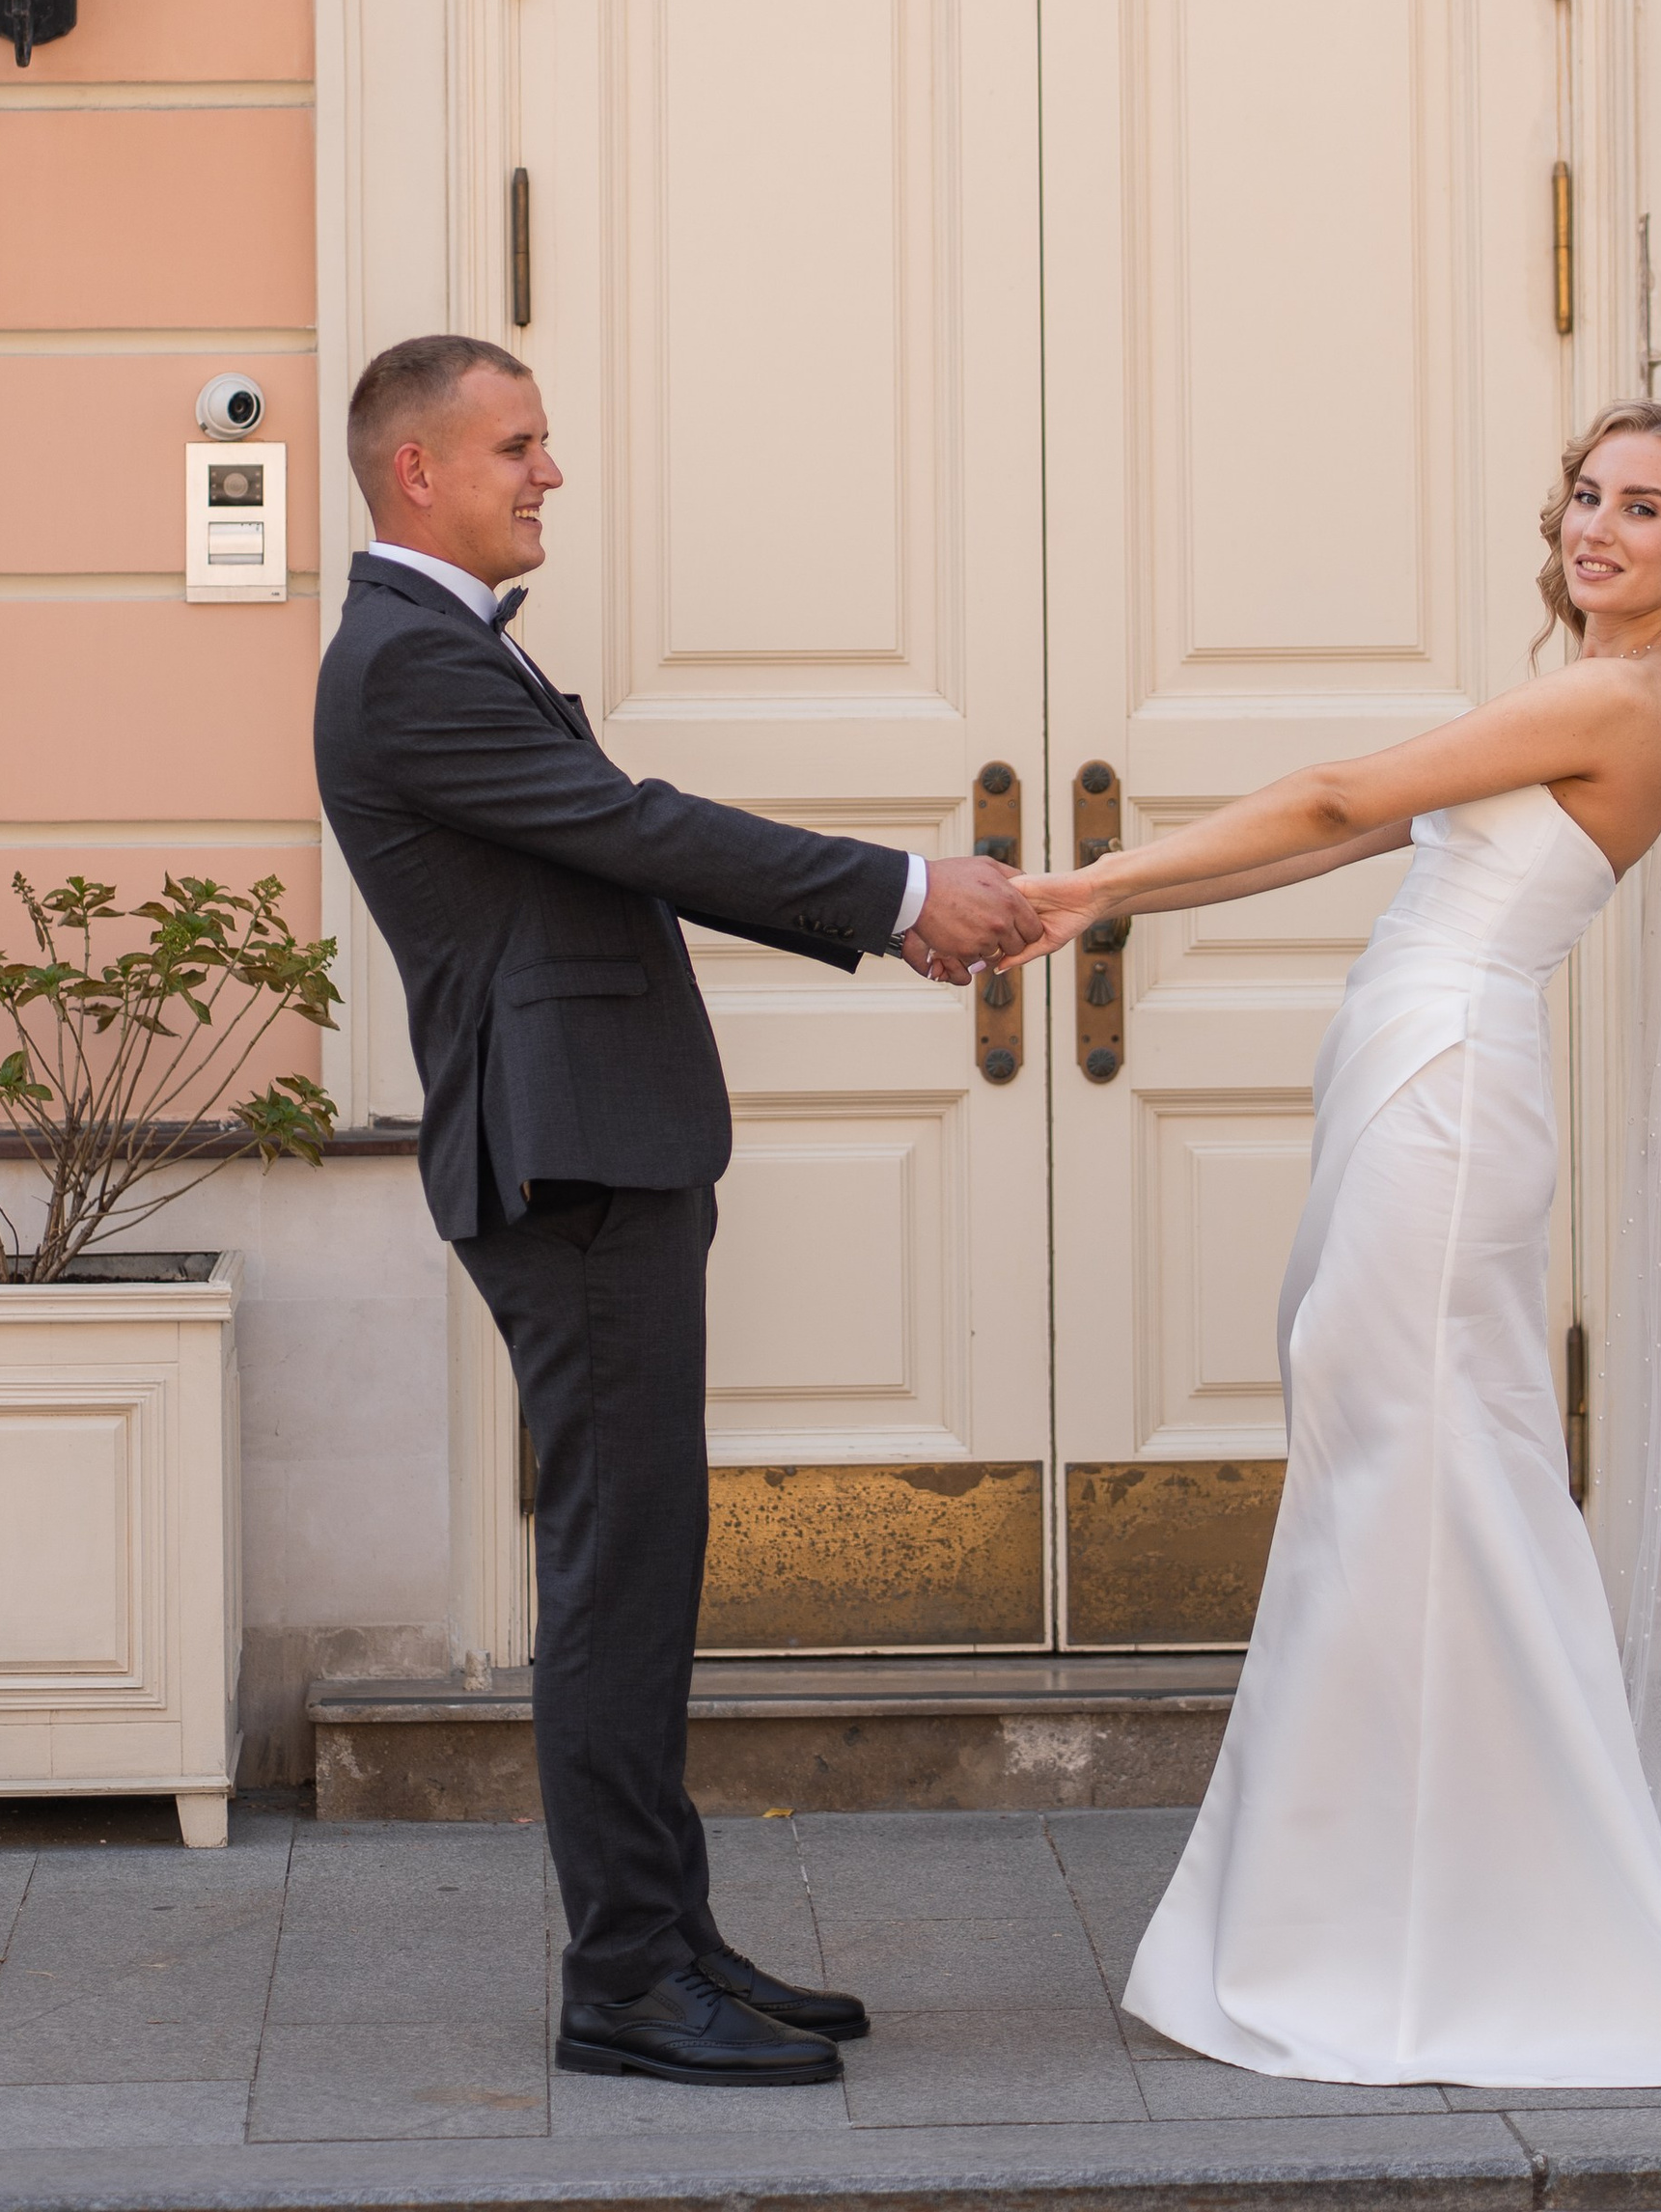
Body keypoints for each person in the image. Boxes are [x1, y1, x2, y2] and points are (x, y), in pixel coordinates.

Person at [1007, 401, 1661, 2089]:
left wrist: (1084, 887)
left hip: (1452, 1094)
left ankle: (1419, 1921)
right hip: (1424, 1075)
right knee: (1398, 1473)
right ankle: (1404, 1898)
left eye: (1644, 505)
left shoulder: (1621, 695)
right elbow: (1349, 827)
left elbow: (1334, 785)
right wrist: (1113, 900)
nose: (1597, 526)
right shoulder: (1593, 690)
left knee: (1412, 1481)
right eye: (1587, 497)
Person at [313, 336, 1038, 2092]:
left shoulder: (439, 651)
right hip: (567, 1171)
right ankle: (626, 1977)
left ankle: (667, 1936)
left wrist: (890, 902)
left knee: (642, 1569)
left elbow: (605, 846)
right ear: (417, 470)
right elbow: (636, 830)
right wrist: (901, 892)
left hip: (605, 1156)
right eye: (519, 444)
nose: (549, 472)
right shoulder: (408, 666)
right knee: (618, 1579)